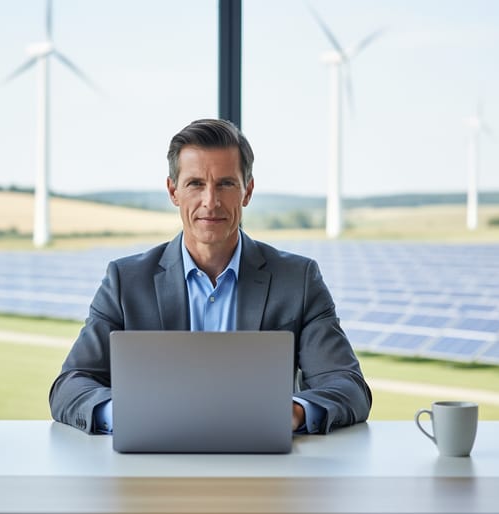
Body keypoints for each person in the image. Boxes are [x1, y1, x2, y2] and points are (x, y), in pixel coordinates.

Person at [49, 118, 372, 434]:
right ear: (173, 191)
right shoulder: (126, 280)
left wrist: (294, 412)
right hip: (151, 468)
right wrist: (127, 414)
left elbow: (347, 386)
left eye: (226, 184)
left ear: (247, 191)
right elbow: (70, 385)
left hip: (264, 470)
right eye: (195, 184)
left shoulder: (297, 279)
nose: (211, 202)